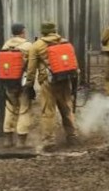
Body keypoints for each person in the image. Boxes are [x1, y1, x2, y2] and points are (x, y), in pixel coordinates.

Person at [24, 21, 78, 152]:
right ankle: (72, 136)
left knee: (48, 111)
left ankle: (49, 141)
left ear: (42, 31)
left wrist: (29, 85)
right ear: (55, 30)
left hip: (48, 82)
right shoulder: (65, 42)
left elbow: (30, 69)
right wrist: (75, 83)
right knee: (66, 109)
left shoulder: (36, 46)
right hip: (65, 80)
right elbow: (74, 64)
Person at [1, 23, 33, 148]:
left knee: (9, 109)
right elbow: (32, 63)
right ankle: (21, 141)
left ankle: (8, 139)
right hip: (22, 83)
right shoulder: (27, 45)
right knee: (24, 109)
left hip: (8, 83)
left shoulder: (5, 45)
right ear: (22, 32)